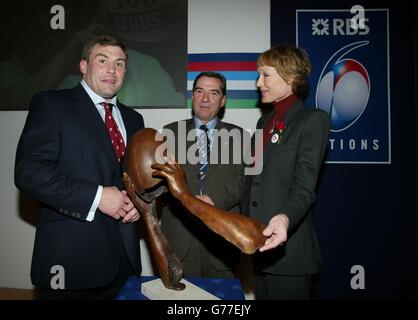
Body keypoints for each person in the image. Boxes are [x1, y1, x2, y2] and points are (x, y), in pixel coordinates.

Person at [14, 35, 144, 299]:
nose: (112, 70)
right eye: (103, 60)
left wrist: (139, 202)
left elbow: (136, 179)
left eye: (119, 63)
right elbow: (30, 171)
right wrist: (97, 197)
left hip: (124, 260)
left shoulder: (134, 119)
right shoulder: (52, 104)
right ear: (83, 65)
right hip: (71, 262)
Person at [245, 46, 330, 299]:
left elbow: (304, 188)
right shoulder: (264, 122)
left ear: (290, 77)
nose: (258, 83)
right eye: (258, 75)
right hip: (259, 250)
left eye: (266, 75)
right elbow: (252, 182)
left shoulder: (313, 120)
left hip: (290, 255)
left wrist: (283, 218)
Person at [160, 71, 249, 278]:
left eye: (213, 93)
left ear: (223, 100)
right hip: (179, 238)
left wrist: (212, 199)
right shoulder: (169, 132)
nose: (205, 99)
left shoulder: (242, 137)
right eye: (200, 91)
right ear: (193, 96)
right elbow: (160, 181)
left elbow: (245, 180)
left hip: (222, 241)